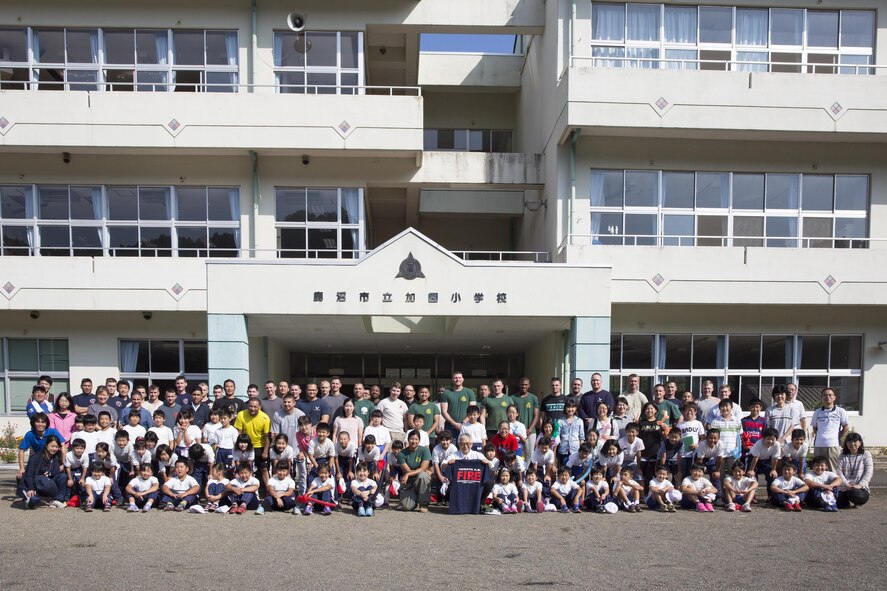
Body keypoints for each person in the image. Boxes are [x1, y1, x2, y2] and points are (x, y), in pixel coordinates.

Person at [18, 434, 67, 509]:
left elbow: (56, 471)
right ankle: (31, 496)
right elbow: (29, 475)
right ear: (46, 445)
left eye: (56, 447)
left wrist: (53, 471)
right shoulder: (35, 458)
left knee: (63, 476)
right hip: (37, 483)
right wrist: (30, 488)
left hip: (49, 482)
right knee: (34, 500)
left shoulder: (57, 456)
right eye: (52, 446)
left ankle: (57, 500)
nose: (54, 449)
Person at [17, 413, 65, 481]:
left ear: (46, 423)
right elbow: (21, 450)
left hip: (53, 459)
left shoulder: (53, 432)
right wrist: (21, 468)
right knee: (22, 476)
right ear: (33, 423)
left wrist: (62, 463)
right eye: (38, 422)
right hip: (39, 460)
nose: (40, 424)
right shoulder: (30, 434)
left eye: (43, 422)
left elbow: (63, 445)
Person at [811, 387, 850, 472]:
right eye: (825, 395)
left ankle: (834, 486)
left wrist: (838, 436)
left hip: (833, 445)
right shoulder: (817, 412)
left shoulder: (840, 411)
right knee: (819, 470)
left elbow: (845, 427)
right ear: (821, 398)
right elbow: (814, 428)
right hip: (819, 445)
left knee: (833, 470)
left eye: (830, 395)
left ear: (834, 397)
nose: (827, 397)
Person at [234, 398, 271, 483]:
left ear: (259, 407)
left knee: (264, 469)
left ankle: (268, 489)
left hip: (259, 446)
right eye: (250, 406)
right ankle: (246, 487)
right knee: (245, 469)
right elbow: (238, 433)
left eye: (255, 407)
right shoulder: (241, 414)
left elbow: (267, 437)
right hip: (245, 446)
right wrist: (238, 448)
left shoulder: (265, 418)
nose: (252, 409)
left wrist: (265, 451)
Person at [396, 430, 432, 512]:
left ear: (419, 440)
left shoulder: (425, 450)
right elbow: (407, 470)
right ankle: (414, 501)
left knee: (423, 475)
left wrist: (407, 474)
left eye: (416, 439)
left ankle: (424, 503)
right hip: (409, 481)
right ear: (408, 440)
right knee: (405, 507)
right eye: (412, 439)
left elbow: (423, 468)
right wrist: (408, 474)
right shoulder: (402, 454)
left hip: (420, 479)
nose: (414, 441)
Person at [836, 432, 872, 509]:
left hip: (860, 487)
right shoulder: (842, 455)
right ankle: (846, 502)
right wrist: (847, 484)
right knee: (839, 504)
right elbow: (839, 472)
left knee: (858, 496)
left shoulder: (866, 454)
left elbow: (869, 472)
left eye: (855, 441)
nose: (852, 444)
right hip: (845, 486)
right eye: (849, 441)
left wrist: (860, 485)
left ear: (860, 443)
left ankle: (857, 502)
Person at [440, 371, 476, 437]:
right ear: (452, 380)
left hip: (467, 425)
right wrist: (454, 424)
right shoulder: (446, 393)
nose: (458, 379)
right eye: (455, 378)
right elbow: (443, 411)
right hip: (450, 426)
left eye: (459, 378)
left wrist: (463, 423)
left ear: (463, 379)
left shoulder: (469, 392)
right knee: (450, 446)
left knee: (466, 445)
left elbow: (473, 410)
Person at [512, 377, 540, 459]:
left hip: (530, 431)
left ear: (529, 386)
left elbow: (536, 416)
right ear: (519, 385)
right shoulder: (513, 398)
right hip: (516, 431)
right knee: (516, 454)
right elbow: (510, 414)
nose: (523, 386)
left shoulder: (533, 398)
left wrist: (530, 429)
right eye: (522, 385)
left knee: (529, 454)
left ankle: (527, 471)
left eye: (526, 385)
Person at [555, 400, 584, 468]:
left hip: (575, 450)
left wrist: (581, 451)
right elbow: (557, 436)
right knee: (564, 470)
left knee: (575, 470)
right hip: (563, 450)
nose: (570, 409)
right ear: (565, 408)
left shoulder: (579, 421)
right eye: (568, 407)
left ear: (576, 408)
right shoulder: (560, 421)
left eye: (572, 407)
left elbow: (581, 437)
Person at [64, 438, 89, 507]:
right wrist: (70, 478)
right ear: (73, 448)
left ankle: (83, 500)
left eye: (81, 448)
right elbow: (67, 467)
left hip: (79, 468)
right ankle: (66, 500)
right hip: (70, 469)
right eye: (77, 448)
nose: (79, 450)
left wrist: (82, 478)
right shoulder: (69, 455)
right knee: (69, 483)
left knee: (81, 483)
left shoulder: (85, 455)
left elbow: (85, 467)